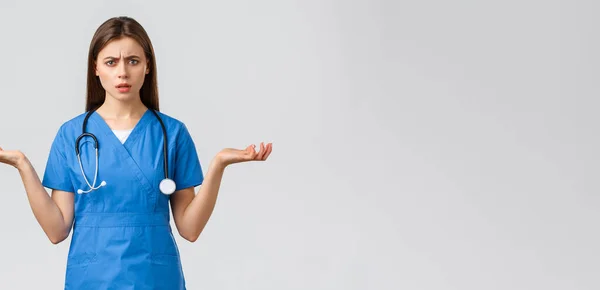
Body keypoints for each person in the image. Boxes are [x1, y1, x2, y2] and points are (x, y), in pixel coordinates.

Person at [0, 16, 273, 289]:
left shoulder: (172, 134)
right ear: (95, 68)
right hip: (92, 280)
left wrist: (218, 165)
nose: (122, 72)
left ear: (147, 66)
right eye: (111, 62)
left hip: (155, 278)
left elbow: (190, 229)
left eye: (133, 61)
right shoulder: (72, 135)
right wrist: (22, 164)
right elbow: (56, 230)